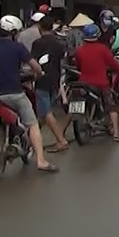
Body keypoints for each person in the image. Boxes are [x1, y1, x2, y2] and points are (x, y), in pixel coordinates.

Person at [0, 15, 58, 173]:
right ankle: (41, 160)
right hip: (15, 94)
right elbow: (36, 67)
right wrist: (38, 74)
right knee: (32, 124)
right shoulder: (18, 48)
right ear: (14, 32)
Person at [72, 23, 119, 141]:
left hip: (83, 83)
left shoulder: (79, 50)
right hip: (101, 84)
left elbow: (78, 66)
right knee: (112, 106)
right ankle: (116, 133)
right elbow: (114, 64)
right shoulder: (102, 49)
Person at [30, 15, 70, 153]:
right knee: (42, 112)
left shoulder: (37, 43)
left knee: (46, 112)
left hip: (42, 80)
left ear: (40, 28)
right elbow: (61, 60)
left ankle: (61, 140)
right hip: (55, 80)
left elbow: (33, 62)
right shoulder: (58, 44)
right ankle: (31, 140)